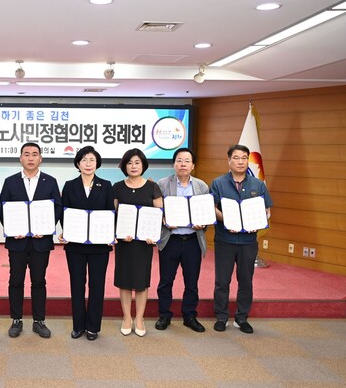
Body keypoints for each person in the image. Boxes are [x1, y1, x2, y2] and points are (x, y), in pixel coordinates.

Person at [0, 143, 62, 339]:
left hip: (40, 242)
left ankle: (39, 321)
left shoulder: (50, 181)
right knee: (15, 281)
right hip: (17, 241)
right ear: (20, 158)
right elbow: (2, 208)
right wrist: (12, 229)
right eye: (26, 154)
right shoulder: (10, 181)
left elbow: (57, 208)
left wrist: (45, 228)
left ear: (40, 158)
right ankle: (16, 320)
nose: (31, 158)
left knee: (39, 281)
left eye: (35, 154)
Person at [211, 144, 272, 334]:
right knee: (222, 281)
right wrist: (227, 219)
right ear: (229, 160)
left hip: (248, 241)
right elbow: (212, 208)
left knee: (246, 280)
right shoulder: (218, 183)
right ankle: (221, 317)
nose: (240, 161)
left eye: (244, 158)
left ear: (248, 161)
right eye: (236, 158)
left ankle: (241, 317)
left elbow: (266, 210)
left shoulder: (258, 185)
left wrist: (258, 221)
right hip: (225, 239)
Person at [59, 146, 115, 341]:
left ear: (97, 163)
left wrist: (110, 233)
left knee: (97, 286)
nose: (88, 163)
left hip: (99, 245)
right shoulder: (69, 185)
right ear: (78, 164)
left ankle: (93, 327)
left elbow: (110, 213)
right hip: (75, 245)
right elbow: (64, 213)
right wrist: (67, 231)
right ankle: (78, 326)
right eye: (84, 160)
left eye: (92, 160)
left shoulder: (106, 186)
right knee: (77, 285)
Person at [155, 147, 208, 333]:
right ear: (174, 164)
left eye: (187, 161)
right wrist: (163, 221)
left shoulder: (201, 186)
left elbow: (206, 212)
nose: (183, 164)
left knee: (192, 282)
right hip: (171, 240)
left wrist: (203, 224)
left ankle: (189, 316)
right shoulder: (163, 184)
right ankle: (164, 314)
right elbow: (156, 210)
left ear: (193, 165)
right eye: (179, 160)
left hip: (193, 240)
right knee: (166, 281)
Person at [113, 148, 163, 337]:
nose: (133, 166)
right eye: (129, 163)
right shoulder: (117, 187)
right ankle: (127, 317)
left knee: (142, 281)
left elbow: (159, 215)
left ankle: (140, 318)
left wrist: (153, 234)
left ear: (143, 165)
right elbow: (114, 214)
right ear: (124, 166)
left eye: (137, 163)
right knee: (124, 281)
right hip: (124, 243)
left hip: (144, 243)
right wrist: (118, 233)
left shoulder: (152, 187)